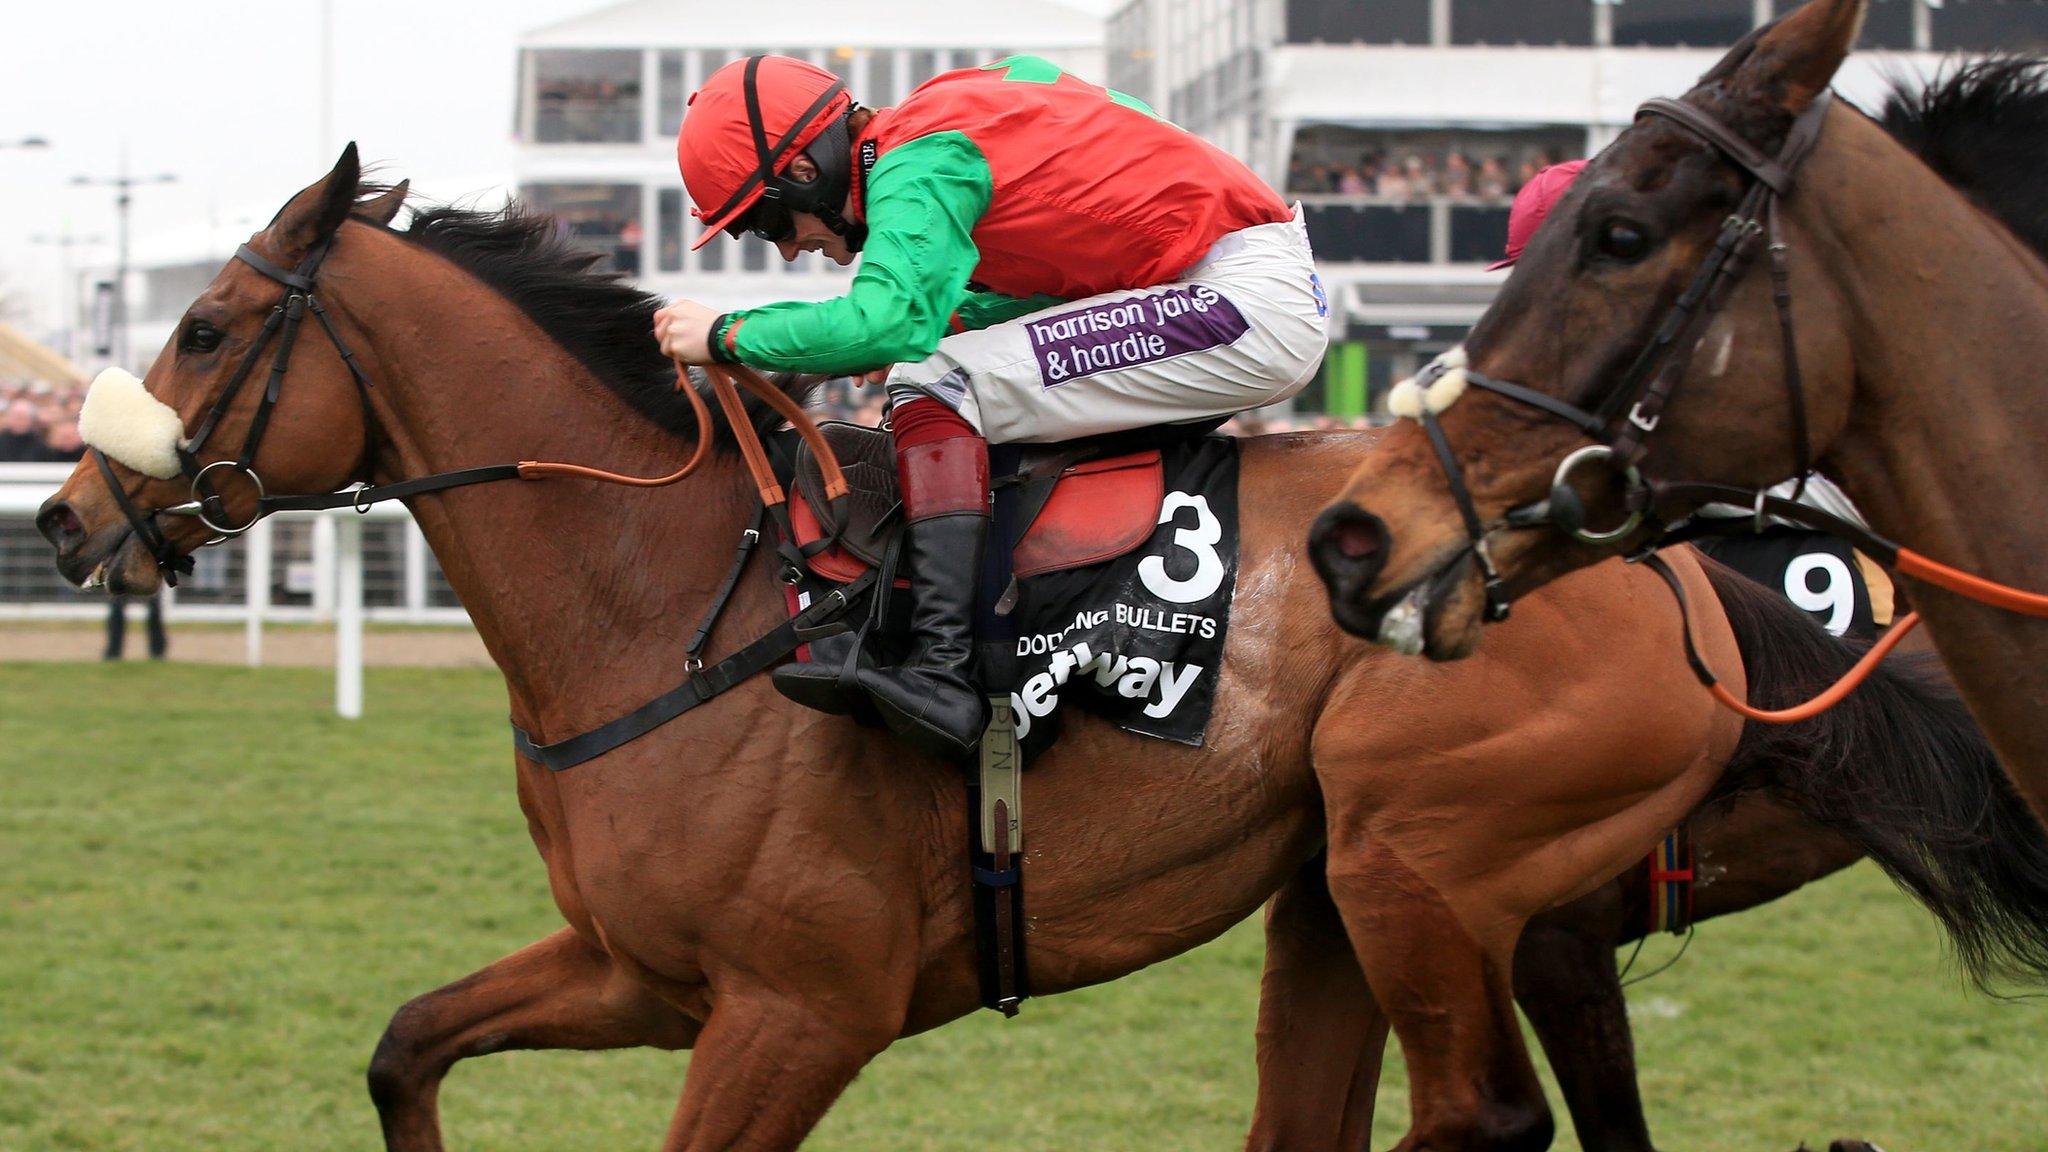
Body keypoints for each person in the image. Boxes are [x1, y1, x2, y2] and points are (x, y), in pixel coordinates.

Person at [654, 54, 1328, 758]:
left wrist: (727, 334)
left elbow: (886, 324)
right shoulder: (939, 118)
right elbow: (1038, 271)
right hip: (1226, 281)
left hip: (1236, 297)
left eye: (767, 224)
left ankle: (944, 671)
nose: (790, 252)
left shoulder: (918, 160)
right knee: (936, 363)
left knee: (935, 380)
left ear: (803, 171)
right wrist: (944, 323)